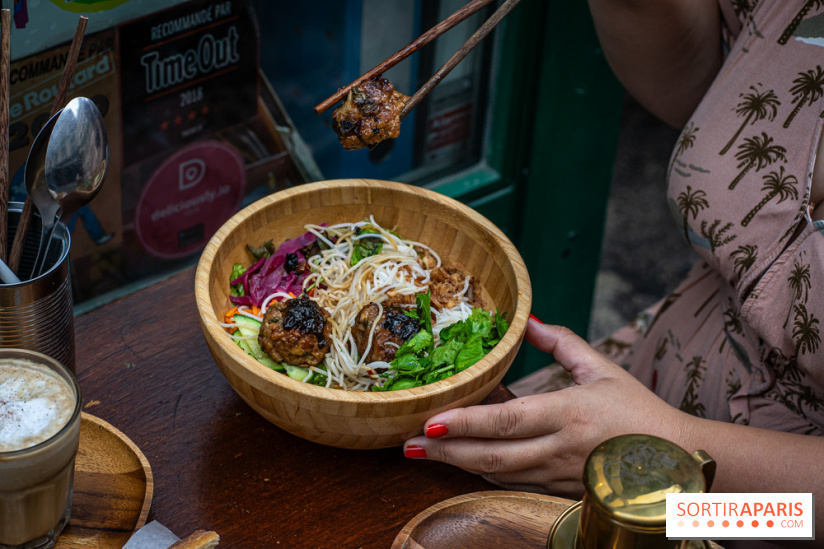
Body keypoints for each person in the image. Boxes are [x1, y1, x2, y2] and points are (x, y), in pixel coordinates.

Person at [404, 0, 824, 544]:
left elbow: (794, 519)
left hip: (763, 512)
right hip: (652, 375)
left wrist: (663, 451)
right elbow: (708, 100)